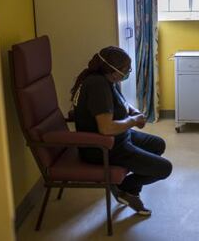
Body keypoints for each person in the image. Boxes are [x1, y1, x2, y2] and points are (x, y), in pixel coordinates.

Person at [71, 46, 172, 215]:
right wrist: (132, 121)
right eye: (126, 70)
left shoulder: (107, 79)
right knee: (164, 168)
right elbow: (106, 128)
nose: (128, 73)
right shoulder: (97, 85)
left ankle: (127, 188)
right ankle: (126, 188)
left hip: (119, 137)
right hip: (103, 147)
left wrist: (134, 112)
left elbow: (121, 103)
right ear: (113, 70)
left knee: (157, 144)